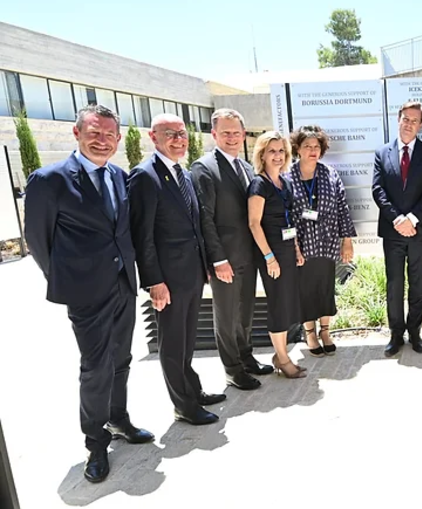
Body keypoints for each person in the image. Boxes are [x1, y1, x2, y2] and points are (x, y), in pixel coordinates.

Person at [24, 105, 153, 483]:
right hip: (86, 291)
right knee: (95, 366)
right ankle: (95, 443)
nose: (103, 140)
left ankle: (118, 419)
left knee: (122, 358)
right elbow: (38, 239)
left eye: (109, 134)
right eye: (95, 132)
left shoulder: (118, 175)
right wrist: (67, 278)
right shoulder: (50, 179)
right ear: (77, 134)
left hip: (122, 285)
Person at [129, 114, 226, 426]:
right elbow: (142, 235)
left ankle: (193, 392)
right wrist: (154, 281)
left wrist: (205, 265)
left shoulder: (180, 172)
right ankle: (183, 405)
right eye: (169, 134)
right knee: (172, 344)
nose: (178, 139)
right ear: (153, 136)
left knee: (186, 340)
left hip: (192, 273)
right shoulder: (145, 176)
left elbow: (195, 225)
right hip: (168, 279)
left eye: (182, 133)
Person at [191, 108, 273, 392]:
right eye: (225, 132)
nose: (232, 137)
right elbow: (205, 219)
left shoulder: (247, 167)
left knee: (245, 311)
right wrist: (217, 259)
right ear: (214, 134)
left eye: (236, 132)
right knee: (226, 315)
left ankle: (246, 356)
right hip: (225, 259)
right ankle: (232, 369)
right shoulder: (204, 168)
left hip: (249, 256)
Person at [372, 101, 422, 357]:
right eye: (405, 118)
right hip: (392, 232)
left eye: (414, 120)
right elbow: (378, 190)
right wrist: (397, 220)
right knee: (394, 284)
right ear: (398, 119)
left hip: (419, 232)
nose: (409, 123)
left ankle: (415, 332)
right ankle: (396, 334)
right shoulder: (382, 153)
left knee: (417, 284)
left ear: (420, 125)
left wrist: (412, 218)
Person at [287, 125, 356, 356]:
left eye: (316, 146)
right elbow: (285, 216)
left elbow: (342, 208)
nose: (312, 150)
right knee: (305, 291)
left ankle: (325, 331)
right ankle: (310, 334)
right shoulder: (287, 176)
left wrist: (346, 240)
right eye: (307, 146)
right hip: (301, 246)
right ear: (298, 148)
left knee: (325, 289)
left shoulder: (329, 173)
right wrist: (293, 247)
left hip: (327, 244)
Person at [247, 131, 307, 378]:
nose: (278, 156)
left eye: (281, 150)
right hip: (270, 253)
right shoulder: (259, 184)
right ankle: (282, 358)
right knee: (277, 305)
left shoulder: (286, 182)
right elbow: (253, 223)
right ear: (262, 154)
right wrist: (269, 257)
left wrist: (296, 249)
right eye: (272, 151)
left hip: (286, 250)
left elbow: (290, 218)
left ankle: (280, 354)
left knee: (286, 303)